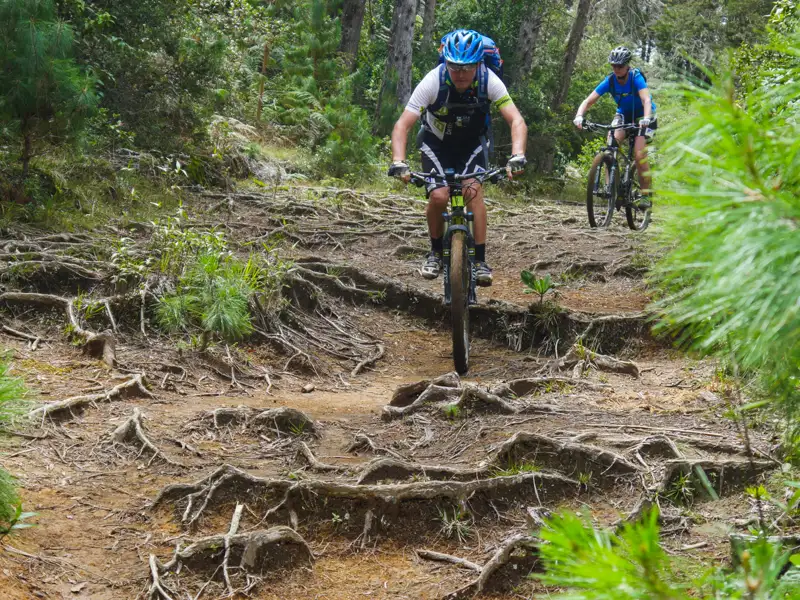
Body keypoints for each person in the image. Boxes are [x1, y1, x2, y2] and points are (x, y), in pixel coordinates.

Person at [387, 29, 527, 286]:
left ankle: (481, 260)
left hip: (472, 143)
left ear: (478, 64)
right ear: (446, 63)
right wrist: (399, 161)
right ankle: (435, 253)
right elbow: (402, 125)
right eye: (454, 67)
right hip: (436, 143)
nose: (461, 73)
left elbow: (516, 120)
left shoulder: (489, 80)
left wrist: (517, 155)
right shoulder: (433, 81)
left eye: (468, 67)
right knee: (439, 196)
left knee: (472, 191)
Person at [573, 46, 656, 198]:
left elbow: (646, 100)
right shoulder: (610, 81)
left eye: (620, 66)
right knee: (610, 147)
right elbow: (588, 101)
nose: (616, 69)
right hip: (623, 114)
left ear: (627, 65)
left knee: (639, 156)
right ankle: (609, 187)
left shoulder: (635, 77)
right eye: (613, 66)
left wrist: (646, 118)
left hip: (644, 115)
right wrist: (579, 116)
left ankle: (645, 195)